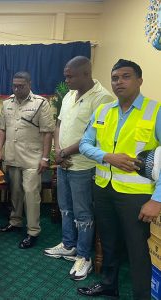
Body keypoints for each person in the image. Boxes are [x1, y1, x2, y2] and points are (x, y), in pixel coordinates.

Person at [78, 59, 161, 299]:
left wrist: (157, 199)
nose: (119, 82)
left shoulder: (154, 111)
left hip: (137, 196)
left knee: (138, 250)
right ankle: (108, 285)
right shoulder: (103, 110)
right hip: (104, 189)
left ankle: (142, 295)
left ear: (139, 81)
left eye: (126, 77)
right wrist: (107, 157)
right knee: (109, 242)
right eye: (115, 78)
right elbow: (85, 144)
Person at [43, 57, 113, 280]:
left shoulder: (103, 98)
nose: (66, 79)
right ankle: (68, 245)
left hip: (84, 166)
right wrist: (58, 151)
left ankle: (84, 256)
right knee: (65, 208)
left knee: (83, 214)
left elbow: (93, 136)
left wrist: (64, 153)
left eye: (70, 76)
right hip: (64, 162)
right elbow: (59, 124)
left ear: (86, 73)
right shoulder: (70, 95)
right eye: (66, 75)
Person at [0, 71, 55, 249]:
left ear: (29, 84)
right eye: (14, 85)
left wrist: (45, 157)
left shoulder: (41, 103)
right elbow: (2, 129)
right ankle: (15, 221)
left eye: (21, 85)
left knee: (30, 193)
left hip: (32, 158)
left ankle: (33, 231)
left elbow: (47, 132)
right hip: (12, 155)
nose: (17, 88)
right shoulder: (7, 104)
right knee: (15, 192)